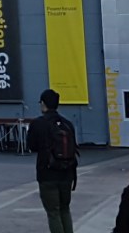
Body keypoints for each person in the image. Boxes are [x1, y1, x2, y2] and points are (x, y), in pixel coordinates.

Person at [29, 89, 79, 233]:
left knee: (53, 212)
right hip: (67, 173)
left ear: (43, 104)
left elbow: (32, 146)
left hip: (47, 174)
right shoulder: (68, 124)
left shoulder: (38, 124)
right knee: (65, 209)